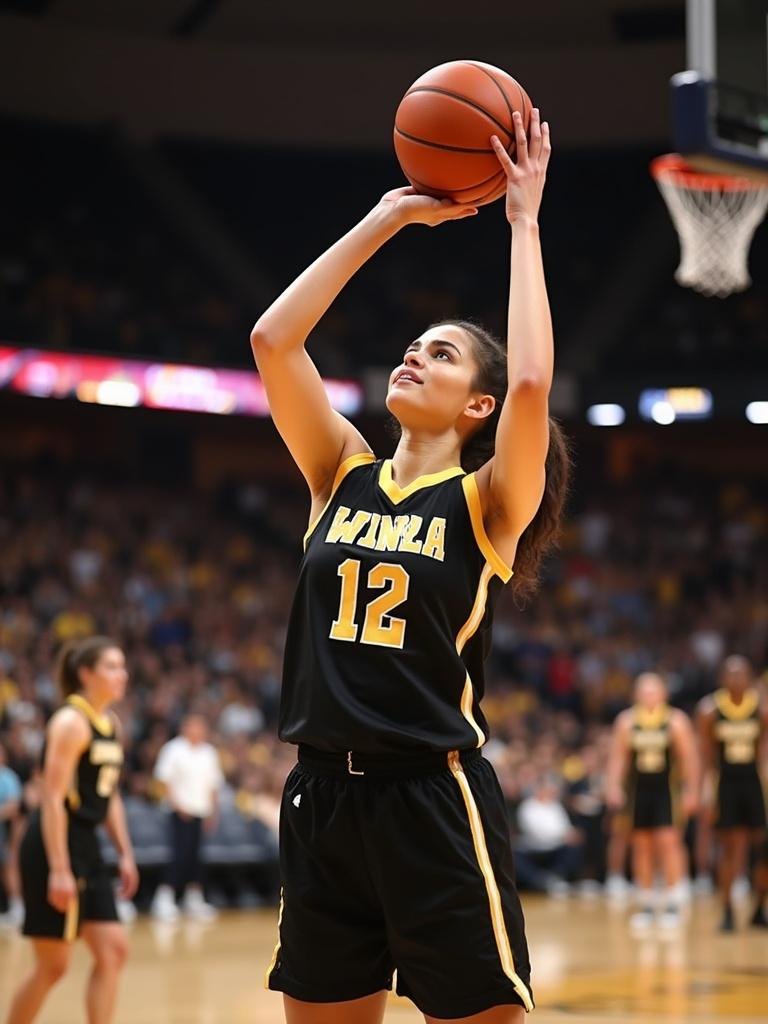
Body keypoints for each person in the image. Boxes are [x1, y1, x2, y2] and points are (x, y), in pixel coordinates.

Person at [251, 108, 569, 1023]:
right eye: (411, 345)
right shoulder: (337, 472)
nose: (411, 356)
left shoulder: (486, 504)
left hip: (433, 799)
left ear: (477, 404)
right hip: (319, 800)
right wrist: (386, 219)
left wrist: (523, 220)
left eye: (439, 353)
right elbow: (275, 341)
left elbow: (535, 385)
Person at [5, 636, 138, 1024]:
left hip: (88, 845)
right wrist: (60, 868)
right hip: (53, 843)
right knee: (53, 966)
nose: (122, 674)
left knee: (113, 951)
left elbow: (109, 795)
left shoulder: (110, 723)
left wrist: (125, 852)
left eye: (123, 665)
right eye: (111, 667)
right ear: (85, 674)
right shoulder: (69, 722)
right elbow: (51, 798)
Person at [606, 672, 698, 930]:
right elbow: (618, 758)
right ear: (636, 694)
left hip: (667, 791)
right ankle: (646, 902)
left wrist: (692, 791)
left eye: (653, 691)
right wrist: (613, 786)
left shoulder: (675, 721)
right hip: (638, 793)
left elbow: (689, 759)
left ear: (664, 694)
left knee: (668, 842)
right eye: (644, 691)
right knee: (641, 845)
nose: (648, 696)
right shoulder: (626, 721)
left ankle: (673, 901)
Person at [697, 655, 768, 931]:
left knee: (762, 848)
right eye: (731, 674)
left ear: (750, 677)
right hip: (725, 782)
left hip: (755, 782)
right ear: (722, 678)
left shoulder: (761, 707)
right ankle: (727, 911)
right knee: (728, 848)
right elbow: (706, 754)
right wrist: (703, 788)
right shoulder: (709, 709)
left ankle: (759, 908)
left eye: (742, 674)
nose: (736, 679)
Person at [150, 713, 223, 922]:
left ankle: (194, 899)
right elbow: (163, 782)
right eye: (194, 726)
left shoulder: (209, 752)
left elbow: (214, 785)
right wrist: (178, 806)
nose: (198, 731)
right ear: (185, 727)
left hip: (201, 811)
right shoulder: (173, 750)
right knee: (178, 855)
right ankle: (164, 899)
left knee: (196, 857)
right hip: (179, 812)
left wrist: (213, 811)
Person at [0, 741, 23, 926]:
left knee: (9, 867)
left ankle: (17, 907)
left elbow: (15, 806)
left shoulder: (8, 778)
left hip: (7, 832)